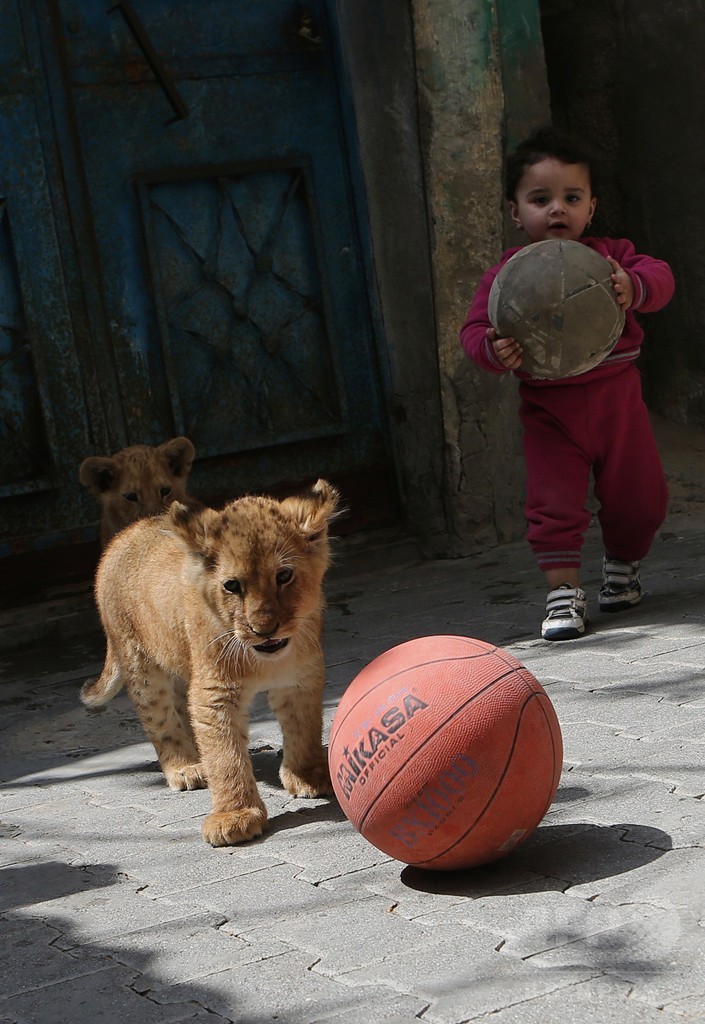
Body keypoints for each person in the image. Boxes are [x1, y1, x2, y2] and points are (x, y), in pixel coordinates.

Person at [459, 126, 675, 641]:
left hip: (618, 404)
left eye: (571, 198)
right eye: (540, 199)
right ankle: (562, 591)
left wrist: (633, 285)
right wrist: (494, 349)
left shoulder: (613, 257)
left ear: (591, 207)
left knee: (640, 498)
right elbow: (473, 332)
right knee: (553, 503)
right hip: (551, 413)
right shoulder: (506, 277)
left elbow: (661, 277)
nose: (557, 209)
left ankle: (623, 567)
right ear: (516, 212)